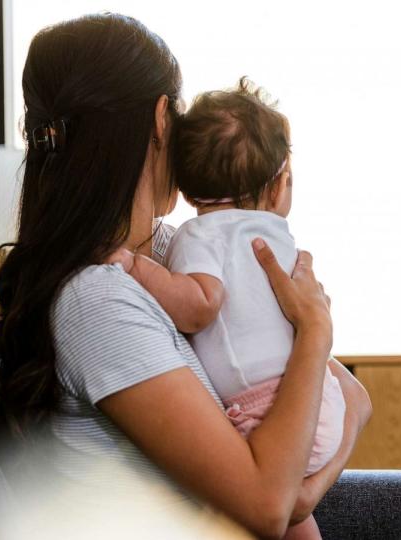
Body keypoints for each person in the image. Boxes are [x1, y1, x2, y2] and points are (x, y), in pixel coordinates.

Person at [0, 13, 372, 539]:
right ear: (163, 119)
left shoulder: (166, 253)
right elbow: (270, 503)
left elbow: (353, 398)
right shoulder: (97, 298)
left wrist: (303, 478)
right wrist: (317, 331)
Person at [109, 78, 343, 539]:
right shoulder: (277, 236)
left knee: (236, 506)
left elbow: (198, 305)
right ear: (279, 186)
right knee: (294, 516)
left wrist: (137, 267)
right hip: (318, 399)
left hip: (266, 409)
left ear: (190, 190)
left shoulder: (200, 236)